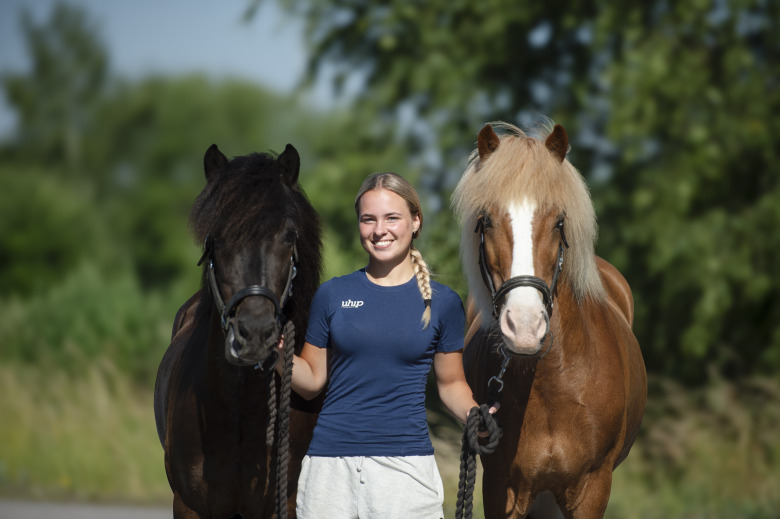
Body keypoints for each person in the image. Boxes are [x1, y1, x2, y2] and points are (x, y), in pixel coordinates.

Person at [276, 172, 489, 519]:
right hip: (329, 471)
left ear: (415, 221)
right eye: (368, 219)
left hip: (405, 473)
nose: (379, 230)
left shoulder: (443, 303)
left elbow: (451, 384)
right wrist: (275, 352)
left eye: (392, 217)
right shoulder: (332, 294)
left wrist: (474, 414)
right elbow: (313, 379)